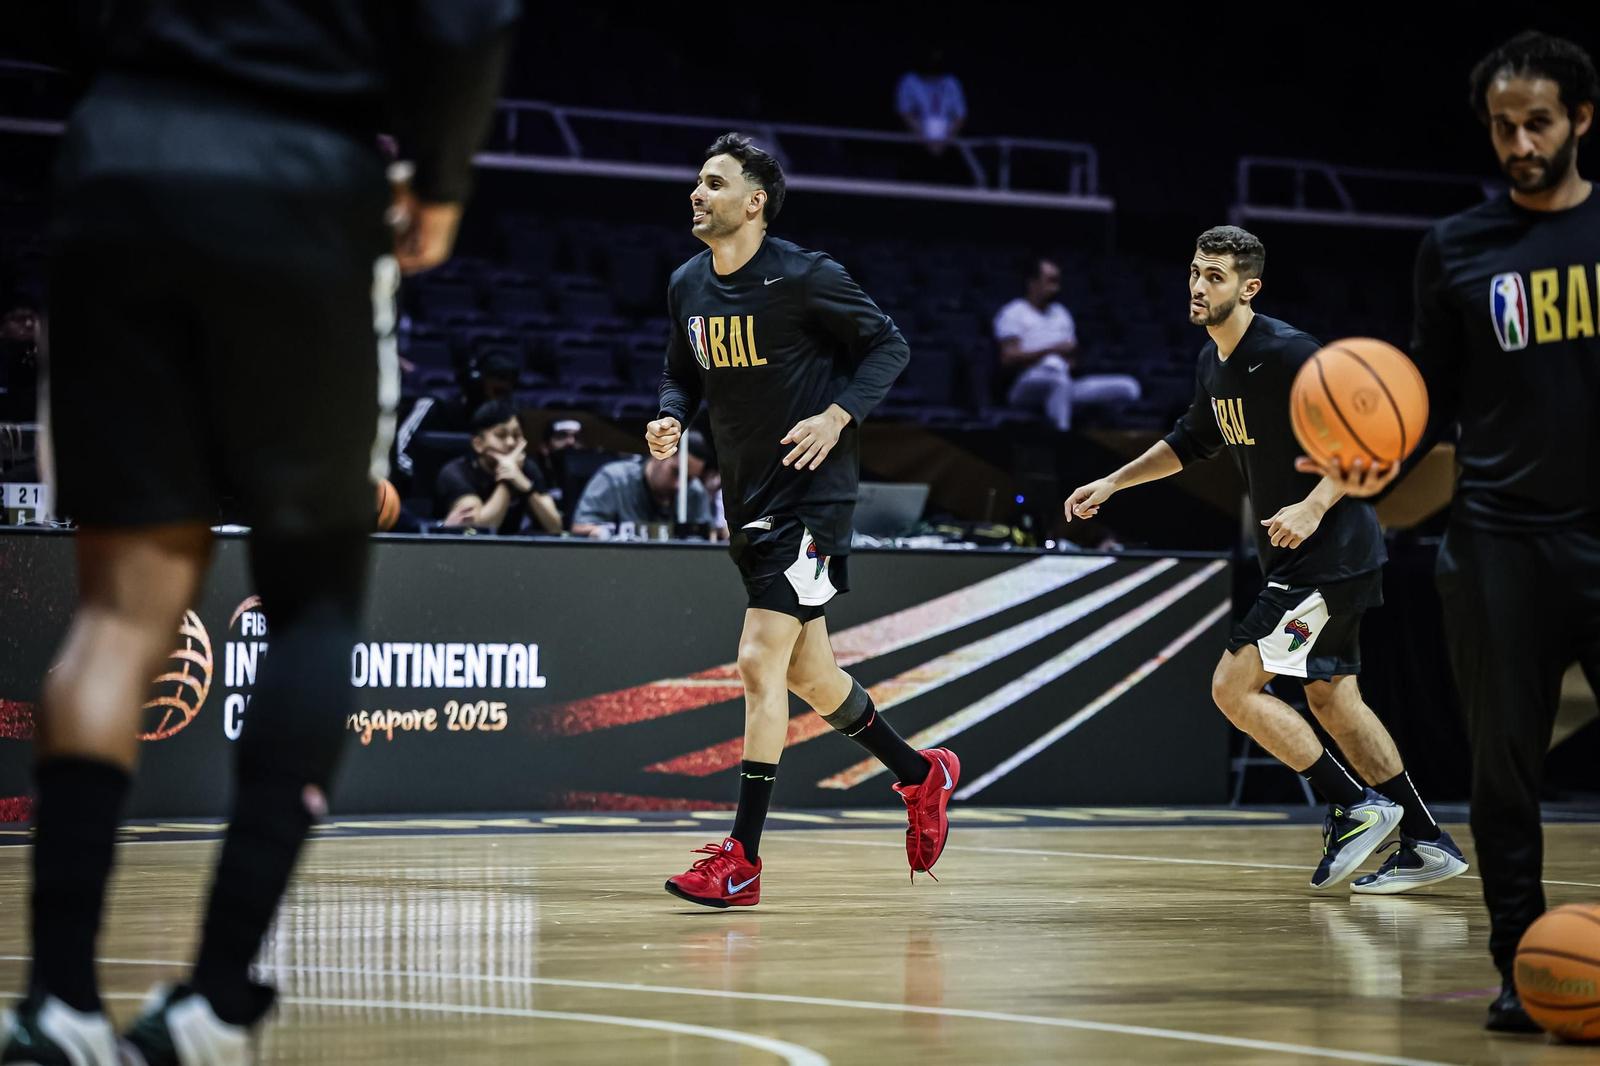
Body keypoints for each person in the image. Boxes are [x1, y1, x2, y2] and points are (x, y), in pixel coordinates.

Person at [0, 3, 519, 1064]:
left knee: (117, 614)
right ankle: (215, 999)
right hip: (301, 173)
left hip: (119, 164)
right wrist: (441, 181)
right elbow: (469, 16)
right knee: (314, 596)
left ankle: (58, 1003)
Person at [1305, 31, 1599, 1033]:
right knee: (1502, 774)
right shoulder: (1457, 247)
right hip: (1498, 544)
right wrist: (1351, 467)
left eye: (1538, 123)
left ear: (1581, 119)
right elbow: (1420, 395)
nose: (1519, 143)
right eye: (1502, 127)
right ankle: (1524, 968)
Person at [1063, 226, 1464, 895]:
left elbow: (1372, 436)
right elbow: (1189, 442)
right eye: (1195, 271)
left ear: (1250, 288)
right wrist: (1112, 482)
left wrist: (1313, 505)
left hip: (1328, 552)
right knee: (1333, 699)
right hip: (1314, 561)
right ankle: (1426, 841)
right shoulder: (1213, 361)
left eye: (1215, 276)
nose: (1198, 286)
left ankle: (1354, 805)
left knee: (1233, 687)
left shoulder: (1289, 353)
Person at [649, 133, 958, 908]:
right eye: (697, 180)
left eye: (714, 182)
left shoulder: (805, 274)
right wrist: (670, 416)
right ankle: (921, 774)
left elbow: (888, 345)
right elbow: (680, 373)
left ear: (755, 201)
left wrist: (837, 415)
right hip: (748, 501)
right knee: (810, 676)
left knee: (759, 660)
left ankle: (743, 858)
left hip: (811, 499)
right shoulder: (687, 283)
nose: (697, 192)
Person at [994, 259, 1141, 430]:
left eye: (1057, 282)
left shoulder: (1061, 313)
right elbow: (1008, 358)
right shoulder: (1013, 312)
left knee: (1129, 387)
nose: (1057, 288)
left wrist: (1071, 360)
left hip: (1065, 381)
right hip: (1026, 383)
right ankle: (1062, 439)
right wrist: (1052, 350)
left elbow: (1073, 360)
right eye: (1051, 281)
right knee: (1058, 383)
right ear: (1032, 283)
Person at [434, 400, 562, 534]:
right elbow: (478, 532)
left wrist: (527, 488)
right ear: (478, 444)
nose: (511, 443)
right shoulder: (456, 473)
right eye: (501, 435)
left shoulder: (528, 468)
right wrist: (507, 479)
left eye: (516, 435)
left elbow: (555, 528)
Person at [569, 436, 712, 539]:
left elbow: (707, 538)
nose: (679, 486)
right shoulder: (614, 480)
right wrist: (603, 534)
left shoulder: (695, 492)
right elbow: (580, 528)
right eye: (676, 472)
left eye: (688, 479)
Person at [896, 48, 966, 156]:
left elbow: (960, 115)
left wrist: (946, 140)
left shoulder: (951, 82)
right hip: (917, 140)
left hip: (946, 142)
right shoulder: (910, 81)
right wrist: (922, 136)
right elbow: (904, 111)